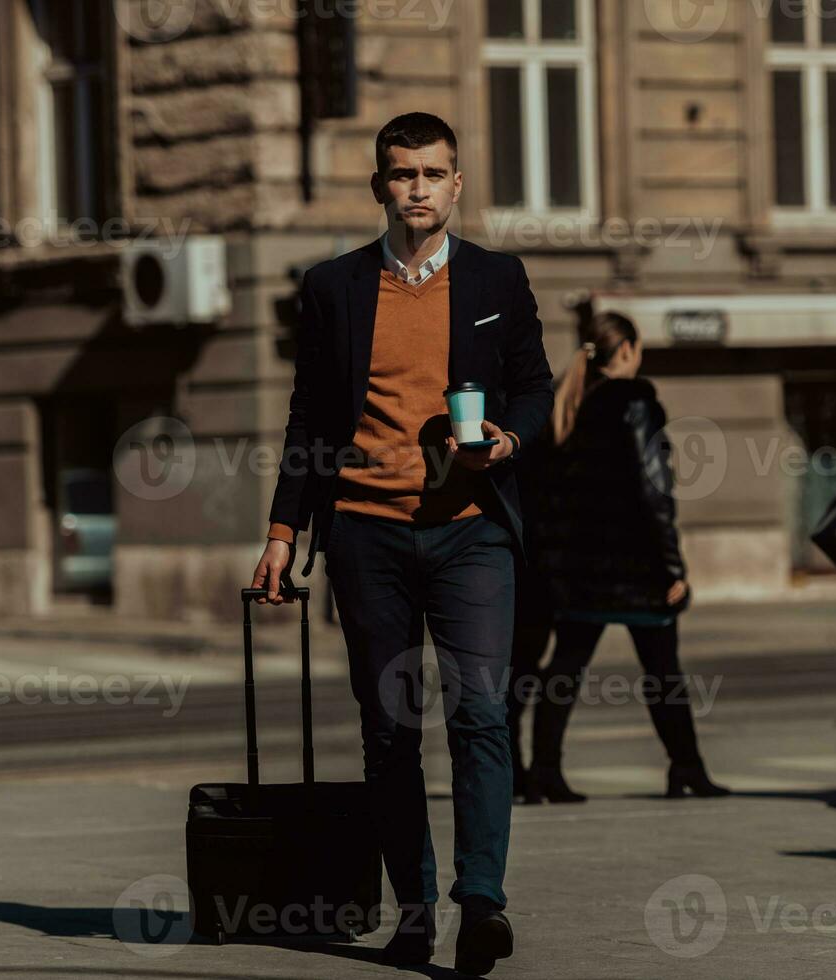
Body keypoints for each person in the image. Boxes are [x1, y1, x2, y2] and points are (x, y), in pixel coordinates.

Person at [249, 112, 554, 975]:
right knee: (388, 728)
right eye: (401, 174)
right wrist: (282, 531)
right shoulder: (335, 287)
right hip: (366, 537)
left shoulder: (498, 278)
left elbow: (534, 387)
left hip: (471, 536)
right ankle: (414, 910)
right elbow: (309, 416)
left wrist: (509, 439)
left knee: (482, 714)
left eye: (433, 173)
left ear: (457, 185)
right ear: (379, 186)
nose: (417, 188)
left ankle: (481, 904)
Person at [510, 311, 732, 804]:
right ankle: (686, 767)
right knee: (663, 672)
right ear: (628, 350)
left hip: (578, 569)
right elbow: (656, 492)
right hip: (635, 566)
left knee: (564, 667)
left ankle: (544, 771)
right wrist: (673, 568)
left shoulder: (567, 404)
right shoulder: (635, 402)